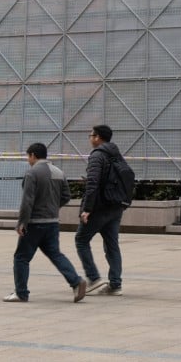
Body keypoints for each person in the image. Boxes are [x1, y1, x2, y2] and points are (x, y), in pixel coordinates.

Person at [4, 142, 87, 303]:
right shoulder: (59, 172)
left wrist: (22, 223)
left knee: (21, 257)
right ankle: (76, 281)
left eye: (28, 156)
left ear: (33, 155)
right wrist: (53, 208)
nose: (28, 160)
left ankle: (21, 293)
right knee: (55, 254)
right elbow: (66, 197)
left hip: (35, 223)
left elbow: (27, 201)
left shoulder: (32, 174)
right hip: (52, 222)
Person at [75, 125, 125, 296]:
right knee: (112, 245)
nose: (90, 138)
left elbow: (93, 183)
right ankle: (115, 285)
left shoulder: (97, 155)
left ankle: (94, 278)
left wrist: (87, 209)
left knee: (81, 240)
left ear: (97, 137)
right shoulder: (116, 154)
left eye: (91, 135)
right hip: (116, 206)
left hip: (100, 207)